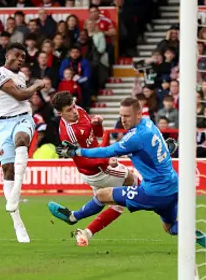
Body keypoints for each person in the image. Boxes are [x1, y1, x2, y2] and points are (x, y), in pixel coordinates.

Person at [50, 97, 206, 253]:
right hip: (174, 187)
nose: (123, 120)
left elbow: (108, 150)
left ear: (139, 114)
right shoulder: (149, 124)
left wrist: (77, 150)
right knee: (169, 227)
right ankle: (192, 234)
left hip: (153, 192)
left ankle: (73, 217)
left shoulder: (134, 137)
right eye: (121, 115)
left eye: (127, 116)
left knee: (102, 195)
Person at [51, 91, 140, 246]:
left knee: (114, 204)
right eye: (69, 110)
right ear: (60, 113)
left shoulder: (80, 111)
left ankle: (81, 228)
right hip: (98, 171)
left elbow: (95, 135)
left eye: (73, 106)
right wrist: (106, 161)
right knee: (134, 181)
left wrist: (97, 124)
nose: (74, 112)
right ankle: (169, 208)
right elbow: (83, 161)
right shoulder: (69, 134)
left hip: (95, 170)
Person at [0, 43, 45, 243]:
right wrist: (36, 86)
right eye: (18, 55)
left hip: (23, 118)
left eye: (24, 57)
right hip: (3, 125)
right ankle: (17, 223)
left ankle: (17, 193)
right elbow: (21, 95)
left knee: (22, 140)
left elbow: (25, 99)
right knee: (7, 171)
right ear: (7, 55)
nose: (22, 60)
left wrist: (33, 90)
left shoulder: (22, 78)